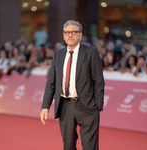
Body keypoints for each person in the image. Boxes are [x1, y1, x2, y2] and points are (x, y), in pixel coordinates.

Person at [40, 20, 105, 150]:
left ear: (80, 35)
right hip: (65, 107)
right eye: (67, 32)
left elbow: (98, 81)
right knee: (68, 146)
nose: (70, 35)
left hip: (87, 107)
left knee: (89, 146)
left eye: (74, 32)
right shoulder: (58, 55)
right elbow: (51, 83)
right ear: (63, 35)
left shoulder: (91, 52)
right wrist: (45, 107)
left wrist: (97, 106)